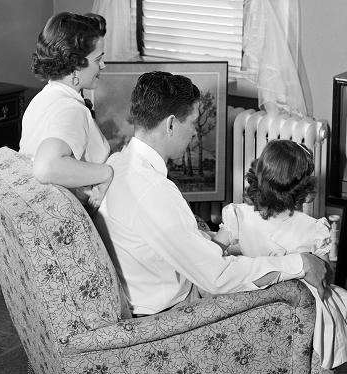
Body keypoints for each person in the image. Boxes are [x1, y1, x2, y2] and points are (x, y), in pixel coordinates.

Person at [93, 71, 329, 318]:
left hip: (157, 283)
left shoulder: (118, 162)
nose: (195, 132)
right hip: (172, 313)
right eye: (193, 122)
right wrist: (300, 263)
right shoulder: (152, 192)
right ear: (171, 124)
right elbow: (218, 277)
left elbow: (167, 238)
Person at [213, 139, 347, 369]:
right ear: (306, 191)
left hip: (250, 304)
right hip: (294, 314)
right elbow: (322, 279)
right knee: (344, 302)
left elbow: (212, 255)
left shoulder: (239, 215)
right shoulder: (313, 229)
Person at [19, 12, 113, 212]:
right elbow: (46, 167)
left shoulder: (42, 99)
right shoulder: (71, 110)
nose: (103, 65)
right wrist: (106, 172)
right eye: (98, 59)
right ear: (76, 65)